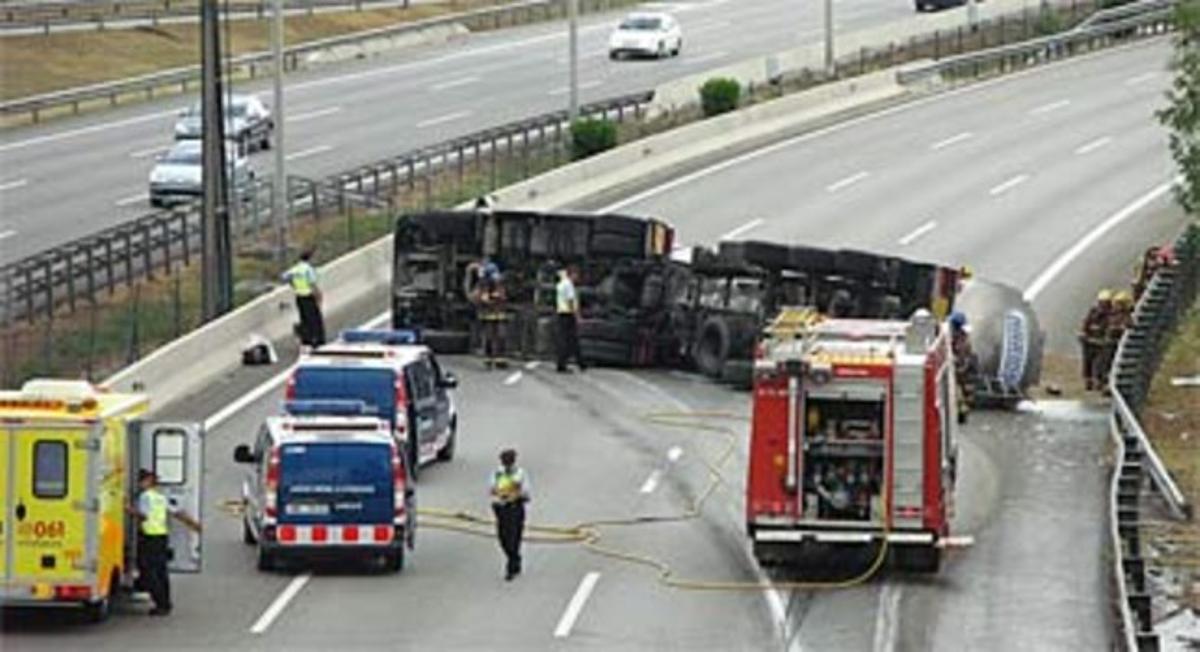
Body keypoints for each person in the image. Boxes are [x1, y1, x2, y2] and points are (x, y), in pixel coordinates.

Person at [127, 470, 201, 616]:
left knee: (149, 571)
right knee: (161, 572)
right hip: (161, 536)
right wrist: (195, 525)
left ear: (147, 481)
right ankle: (165, 603)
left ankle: (159, 602)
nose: (139, 484)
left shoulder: (145, 496)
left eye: (141, 481)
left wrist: (128, 509)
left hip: (149, 537)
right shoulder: (160, 497)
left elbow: (143, 515)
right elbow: (177, 513)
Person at [490, 449, 530, 581]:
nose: (506, 464)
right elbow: (491, 488)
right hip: (501, 508)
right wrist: (500, 492)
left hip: (515, 508)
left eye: (508, 462)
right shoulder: (497, 473)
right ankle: (515, 558)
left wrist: (515, 493)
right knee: (502, 537)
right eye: (504, 462)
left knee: (514, 537)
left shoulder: (520, 473)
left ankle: (511, 567)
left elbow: (526, 492)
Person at [282, 249, 326, 350]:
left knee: (304, 318)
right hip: (308, 296)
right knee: (315, 319)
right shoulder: (308, 269)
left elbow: (285, 277)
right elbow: (312, 284)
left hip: (299, 297)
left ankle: (306, 339)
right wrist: (319, 296)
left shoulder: (296, 269)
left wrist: (293, 285)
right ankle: (317, 340)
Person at [475, 260, 510, 369]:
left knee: (501, 336)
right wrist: (488, 298)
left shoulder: (500, 284)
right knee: (489, 336)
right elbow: (481, 298)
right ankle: (488, 359)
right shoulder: (483, 285)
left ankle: (501, 359)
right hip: (488, 314)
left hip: (500, 313)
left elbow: (503, 296)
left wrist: (498, 297)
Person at [1079, 290, 1114, 391]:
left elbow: (1111, 329)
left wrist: (1106, 339)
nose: (1103, 306)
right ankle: (1088, 380)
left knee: (1101, 363)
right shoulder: (1093, 312)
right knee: (1088, 362)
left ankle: (1100, 381)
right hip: (1090, 342)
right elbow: (1086, 323)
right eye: (1101, 303)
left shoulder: (1112, 315)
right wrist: (1083, 334)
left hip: (1102, 344)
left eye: (1105, 303)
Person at [949, 311, 978, 422]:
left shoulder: (963, 343)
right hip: (959, 380)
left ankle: (962, 410)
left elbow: (964, 364)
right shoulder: (953, 340)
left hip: (962, 380)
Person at [555, 266, 585, 373]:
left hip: (562, 314)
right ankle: (563, 365)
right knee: (569, 340)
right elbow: (571, 301)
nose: (577, 277)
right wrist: (577, 317)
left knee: (569, 340)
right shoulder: (568, 285)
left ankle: (579, 363)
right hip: (567, 314)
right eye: (576, 275)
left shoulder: (562, 283)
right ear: (572, 274)